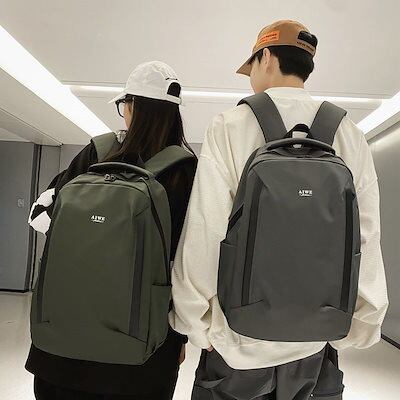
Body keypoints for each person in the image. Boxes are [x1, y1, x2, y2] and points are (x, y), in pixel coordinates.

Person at [169, 20, 388, 400]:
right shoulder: (348, 133)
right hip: (315, 343)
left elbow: (207, 228)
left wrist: (196, 322)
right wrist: (361, 323)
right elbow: (365, 235)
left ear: (266, 57)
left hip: (237, 341)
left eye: (251, 66)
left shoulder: (231, 125)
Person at [26, 61, 197, 400]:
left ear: (131, 106)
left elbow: (39, 217)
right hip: (142, 351)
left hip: (61, 345)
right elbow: (187, 264)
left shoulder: (96, 153)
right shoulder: (187, 170)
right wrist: (182, 335)